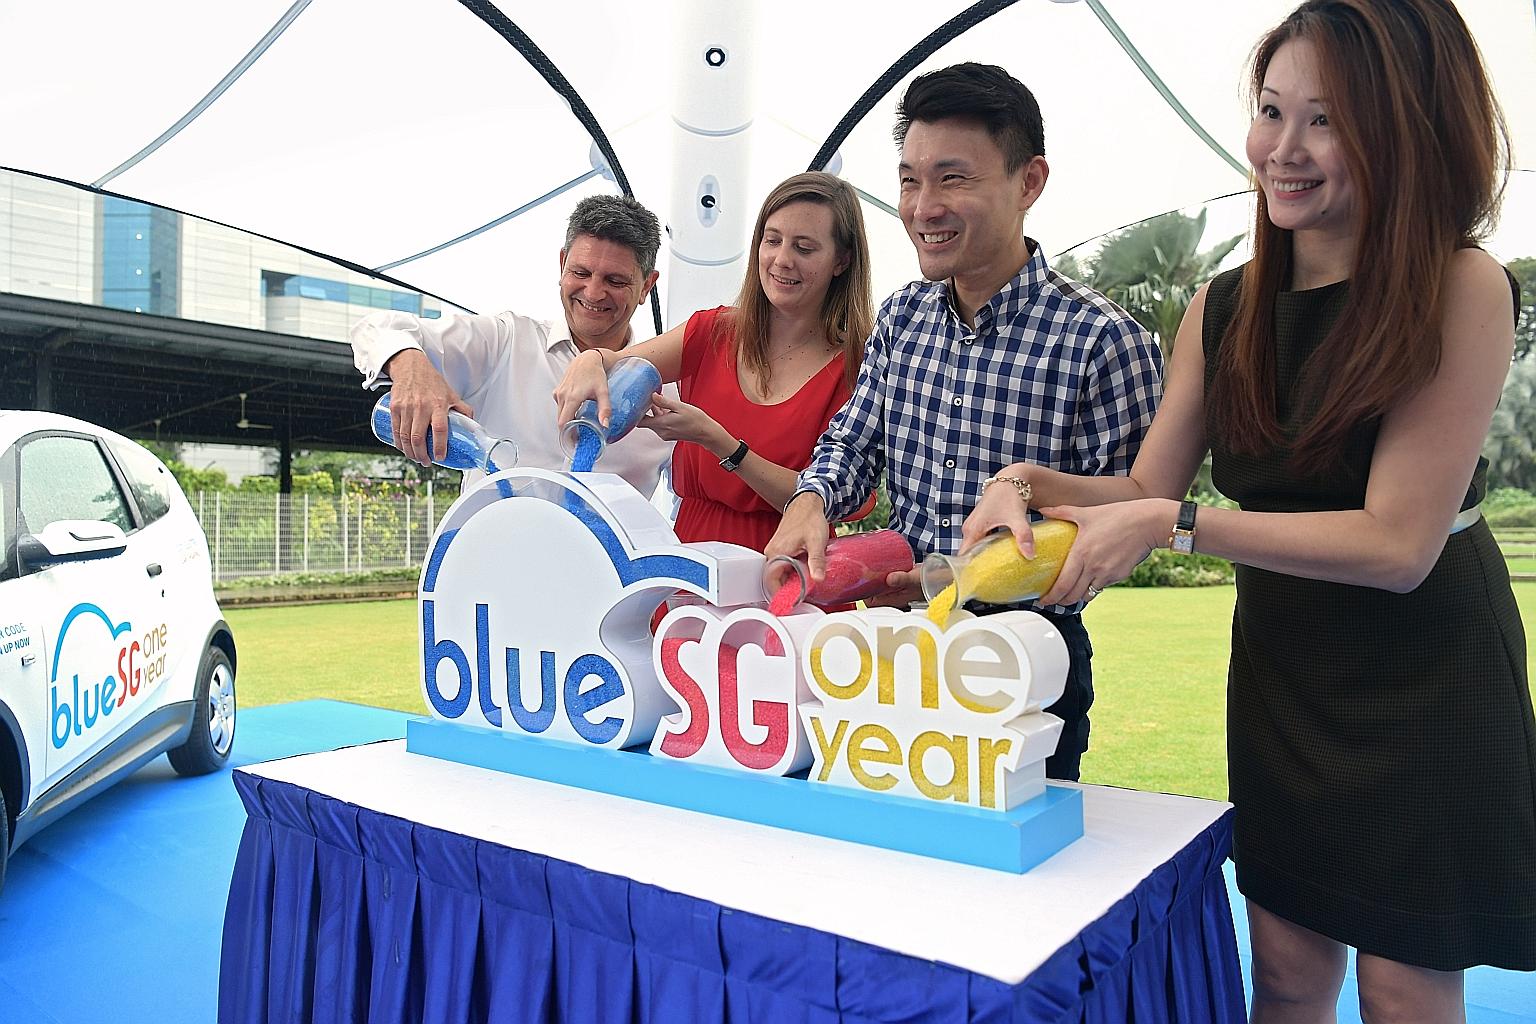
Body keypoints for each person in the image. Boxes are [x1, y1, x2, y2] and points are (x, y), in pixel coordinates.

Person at [961, 0, 1535, 1015]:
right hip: (1286, 667)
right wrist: (1024, 484)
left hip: (1425, 673)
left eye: (1328, 120)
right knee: (1286, 966)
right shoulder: (1221, 306)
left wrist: (1176, 526)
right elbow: (1144, 490)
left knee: (1405, 985)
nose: (1283, 148)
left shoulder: (1463, 286)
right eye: (1273, 111)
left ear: (1405, 127)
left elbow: (1398, 542)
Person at [764, 64, 1163, 781]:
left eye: (953, 179)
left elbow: (1125, 524)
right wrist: (812, 497)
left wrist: (958, 576)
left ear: (1029, 181)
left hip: (1024, 665)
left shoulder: (1105, 341)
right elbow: (852, 442)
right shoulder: (902, 316)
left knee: (1013, 881)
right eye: (910, 180)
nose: (923, 206)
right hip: (890, 649)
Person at [554, 172, 874, 551]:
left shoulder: (858, 364)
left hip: (788, 566)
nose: (782, 260)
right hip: (691, 565)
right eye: (772, 241)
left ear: (842, 261)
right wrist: (590, 359)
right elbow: (616, 361)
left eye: (804, 248)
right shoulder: (713, 331)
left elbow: (831, 499)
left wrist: (717, 440)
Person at [350, 194, 674, 497]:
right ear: (562, 265)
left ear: (647, 285)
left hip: (604, 558)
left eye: (615, 281)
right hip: (488, 551)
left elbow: (697, 496)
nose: (593, 293)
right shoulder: (505, 342)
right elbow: (375, 328)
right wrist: (411, 370)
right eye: (581, 272)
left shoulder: (668, 391)